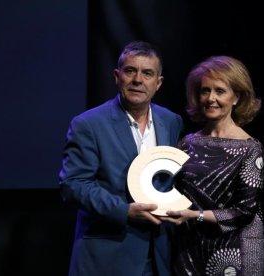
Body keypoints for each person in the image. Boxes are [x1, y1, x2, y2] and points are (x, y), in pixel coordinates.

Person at [59, 41, 183, 276]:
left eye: (147, 73)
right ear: (117, 76)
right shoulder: (88, 124)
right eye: (130, 71)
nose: (138, 80)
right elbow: (73, 184)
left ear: (158, 83)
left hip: (160, 256)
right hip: (108, 257)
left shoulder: (171, 121)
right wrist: (124, 211)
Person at [160, 56, 264, 275]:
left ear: (236, 97)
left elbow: (244, 211)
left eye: (219, 91)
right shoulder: (187, 143)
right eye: (205, 91)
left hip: (235, 254)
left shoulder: (250, 148)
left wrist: (194, 216)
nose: (210, 98)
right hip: (188, 251)